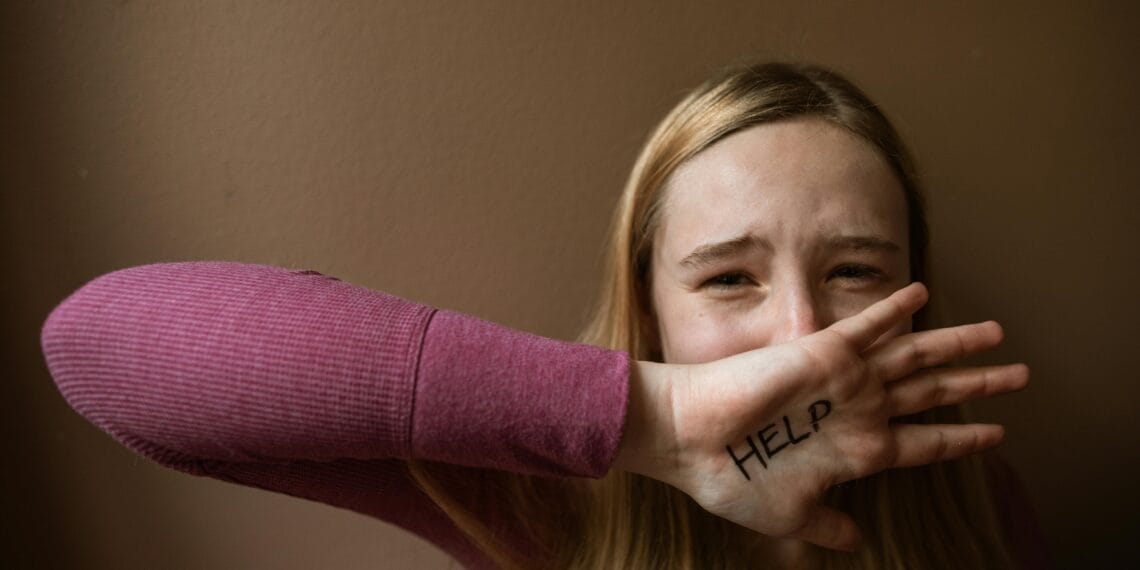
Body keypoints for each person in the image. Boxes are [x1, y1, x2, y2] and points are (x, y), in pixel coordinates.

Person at [41, 62, 1041, 569]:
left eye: (856, 270)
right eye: (730, 279)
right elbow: (93, 345)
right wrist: (661, 423)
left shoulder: (978, 509)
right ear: (648, 305)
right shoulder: (550, 503)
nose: (800, 332)